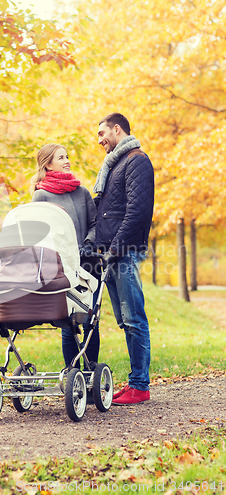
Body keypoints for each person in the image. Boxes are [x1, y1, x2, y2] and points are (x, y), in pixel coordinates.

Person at [94, 113, 154, 405]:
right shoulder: (116, 164)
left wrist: (115, 247)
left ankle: (140, 386)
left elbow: (138, 212)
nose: (100, 139)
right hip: (113, 252)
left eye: (102, 132)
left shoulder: (136, 161)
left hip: (125, 251)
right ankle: (135, 383)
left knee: (134, 319)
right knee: (125, 321)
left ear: (117, 129)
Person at [31, 143, 100, 371]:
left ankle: (91, 376)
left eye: (67, 156)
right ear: (48, 164)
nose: (67, 160)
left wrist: (89, 243)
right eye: (61, 157)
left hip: (88, 263)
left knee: (90, 321)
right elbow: (37, 233)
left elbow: (94, 223)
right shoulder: (41, 196)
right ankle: (73, 377)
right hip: (60, 267)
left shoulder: (82, 192)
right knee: (69, 323)